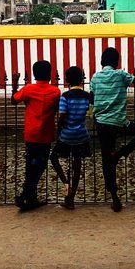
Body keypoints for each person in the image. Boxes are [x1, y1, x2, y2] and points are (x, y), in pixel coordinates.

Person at [90, 47, 135, 212]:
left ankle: (115, 199)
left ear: (103, 60)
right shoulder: (121, 74)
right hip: (119, 122)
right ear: (116, 61)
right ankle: (121, 153)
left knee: (106, 162)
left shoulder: (95, 77)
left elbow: (93, 99)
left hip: (101, 124)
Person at [11, 60, 60, 211]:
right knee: (40, 165)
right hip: (45, 134)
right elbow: (56, 109)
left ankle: (28, 196)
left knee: (31, 164)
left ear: (34, 74)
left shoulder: (28, 89)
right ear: (50, 74)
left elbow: (14, 100)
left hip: (31, 133)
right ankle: (27, 195)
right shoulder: (55, 91)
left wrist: (14, 84)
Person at [49, 66, 92, 210]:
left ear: (67, 80)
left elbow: (62, 116)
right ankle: (71, 199)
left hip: (67, 135)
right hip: (82, 135)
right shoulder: (87, 96)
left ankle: (66, 183)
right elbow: (89, 111)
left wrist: (58, 129)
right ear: (81, 79)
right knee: (77, 165)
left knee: (53, 158)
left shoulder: (65, 97)